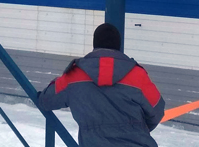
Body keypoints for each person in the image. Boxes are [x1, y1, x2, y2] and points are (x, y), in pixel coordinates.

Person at [37, 23, 165, 147]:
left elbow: (46, 100)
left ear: (94, 44)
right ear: (118, 46)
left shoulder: (74, 76)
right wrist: (137, 127)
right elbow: (157, 110)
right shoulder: (137, 74)